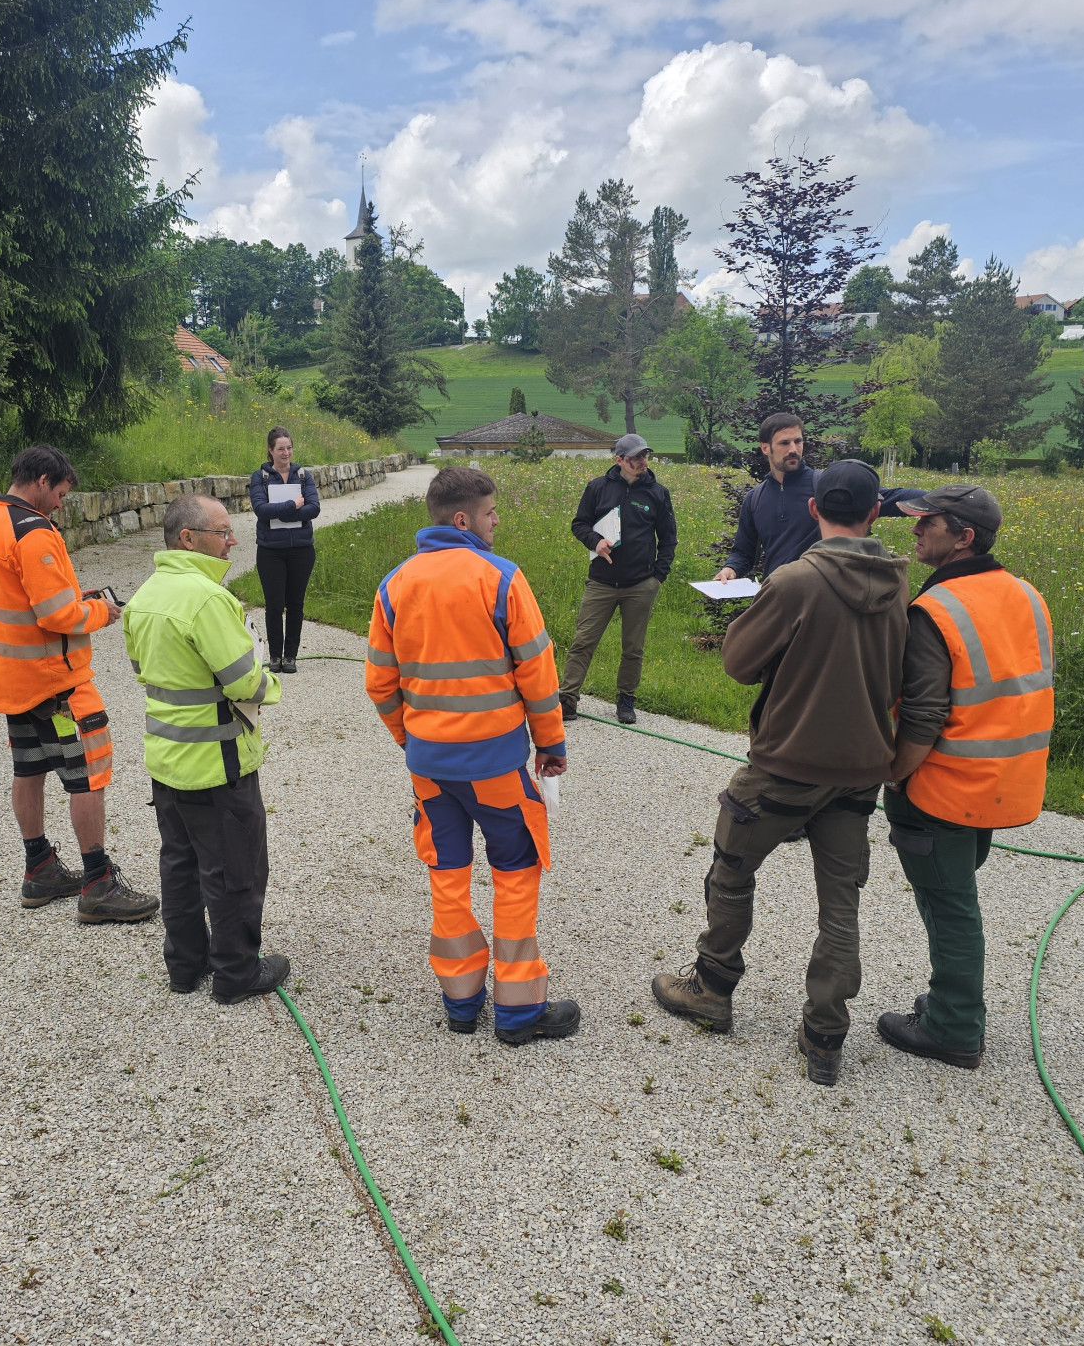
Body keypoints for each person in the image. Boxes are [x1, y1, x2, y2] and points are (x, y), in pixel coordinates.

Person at [652, 460, 909, 1086]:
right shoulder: (902, 584)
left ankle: (712, 987)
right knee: (840, 902)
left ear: (814, 510)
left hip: (785, 765)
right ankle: (825, 1035)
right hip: (859, 772)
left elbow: (739, 663)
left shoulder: (796, 581)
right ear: (876, 513)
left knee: (732, 870)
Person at [365, 465, 579, 1046]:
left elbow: (380, 685)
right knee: (514, 872)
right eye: (490, 513)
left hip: (431, 772)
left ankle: (460, 1002)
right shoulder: (502, 579)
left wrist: (411, 741)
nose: (496, 522)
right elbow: (538, 674)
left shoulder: (394, 585)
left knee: (448, 877)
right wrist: (550, 746)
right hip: (497, 768)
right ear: (463, 520)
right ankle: (518, 1011)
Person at [876, 485, 1053, 1071]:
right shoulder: (1026, 595)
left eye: (929, 523)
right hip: (1005, 782)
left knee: (951, 906)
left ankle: (953, 1026)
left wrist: (895, 775)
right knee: (951, 895)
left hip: (942, 786)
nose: (916, 529)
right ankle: (950, 1005)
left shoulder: (938, 610)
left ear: (964, 537)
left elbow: (923, 715)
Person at [0, 446, 158, 923]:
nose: (60, 505)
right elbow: (57, 615)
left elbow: (24, 600)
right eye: (60, 494)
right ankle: (98, 882)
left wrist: (77, 596)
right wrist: (100, 610)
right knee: (87, 777)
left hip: (15, 680)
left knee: (28, 769)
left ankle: (39, 868)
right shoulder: (35, 532)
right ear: (42, 480)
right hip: (58, 683)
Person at [125, 495, 288, 1001]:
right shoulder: (208, 598)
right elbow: (244, 683)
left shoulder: (143, 597)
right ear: (188, 538)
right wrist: (270, 687)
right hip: (218, 764)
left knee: (179, 864)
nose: (233, 540)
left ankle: (185, 967)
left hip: (167, 759)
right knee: (235, 868)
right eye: (223, 532)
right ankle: (237, 974)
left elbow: (145, 672)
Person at [716, 414, 922, 584]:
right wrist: (730, 569)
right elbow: (743, 553)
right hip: (776, 601)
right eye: (784, 443)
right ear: (765, 448)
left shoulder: (825, 485)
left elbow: (891, 497)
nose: (793, 450)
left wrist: (939, 501)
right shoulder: (755, 499)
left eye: (798, 441)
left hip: (826, 597)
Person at [560, 432, 677, 725]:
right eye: (635, 457)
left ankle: (626, 700)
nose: (642, 461)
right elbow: (579, 524)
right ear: (619, 460)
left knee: (633, 648)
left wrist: (657, 577)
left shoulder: (658, 493)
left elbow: (669, 539)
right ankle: (567, 699)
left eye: (644, 456)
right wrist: (595, 541)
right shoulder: (598, 488)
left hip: (640, 584)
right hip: (601, 582)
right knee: (583, 641)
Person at [247, 425, 321, 673]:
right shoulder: (261, 478)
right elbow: (261, 510)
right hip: (271, 551)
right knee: (274, 605)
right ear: (270, 450)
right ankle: (275, 656)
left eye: (289, 448)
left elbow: (313, 508)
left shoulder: (303, 476)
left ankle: (291, 656)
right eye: (281, 449)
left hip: (302, 549)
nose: (286, 453)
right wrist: (292, 506)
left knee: (296, 605)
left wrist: (283, 514)